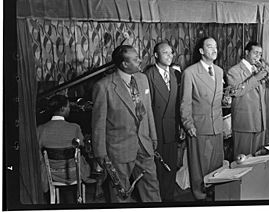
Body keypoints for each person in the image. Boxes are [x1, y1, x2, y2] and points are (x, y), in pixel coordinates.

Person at [91, 44, 161, 203]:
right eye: (136, 59)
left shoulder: (143, 79)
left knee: (152, 188)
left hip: (144, 144)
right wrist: (100, 153)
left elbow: (148, 110)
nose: (140, 61)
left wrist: (153, 137)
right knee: (120, 194)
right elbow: (98, 124)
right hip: (119, 149)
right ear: (124, 64)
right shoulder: (103, 86)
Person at [180, 37, 224, 200]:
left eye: (216, 47)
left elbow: (218, 99)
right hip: (199, 126)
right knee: (199, 166)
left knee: (216, 164)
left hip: (217, 126)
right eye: (210, 46)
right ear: (201, 51)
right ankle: (200, 198)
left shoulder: (219, 71)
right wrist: (188, 124)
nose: (214, 50)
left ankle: (215, 195)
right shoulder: (190, 72)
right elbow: (185, 102)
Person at [144, 42, 181, 202]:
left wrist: (180, 126)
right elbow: (146, 108)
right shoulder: (148, 75)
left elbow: (179, 103)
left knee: (171, 166)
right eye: (165, 53)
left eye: (171, 53)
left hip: (172, 128)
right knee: (157, 167)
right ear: (156, 55)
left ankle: (169, 199)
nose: (169, 56)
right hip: (156, 128)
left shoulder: (175, 73)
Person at [37, 94, 91, 198]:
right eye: (68, 107)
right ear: (62, 109)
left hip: (51, 175)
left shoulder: (41, 129)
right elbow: (83, 148)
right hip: (75, 172)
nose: (69, 109)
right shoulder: (74, 128)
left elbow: (37, 152)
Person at [227, 41, 268, 158]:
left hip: (260, 122)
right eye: (255, 53)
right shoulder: (233, 71)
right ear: (246, 52)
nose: (258, 57)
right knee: (242, 161)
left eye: (260, 54)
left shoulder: (258, 70)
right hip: (244, 123)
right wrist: (256, 78)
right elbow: (236, 91)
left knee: (258, 161)